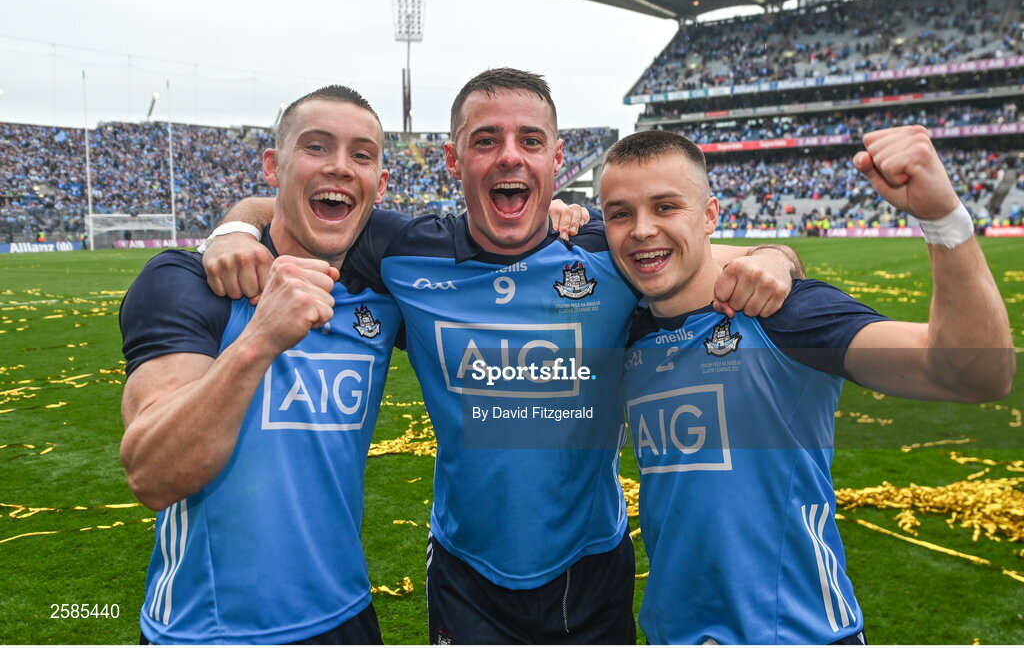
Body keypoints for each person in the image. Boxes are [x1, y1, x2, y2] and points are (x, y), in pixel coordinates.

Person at [200, 68, 803, 644]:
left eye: (530, 140)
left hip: (592, 560)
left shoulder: (610, 249)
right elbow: (296, 203)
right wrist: (232, 229)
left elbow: (735, 259)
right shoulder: (403, 252)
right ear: (454, 160)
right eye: (486, 140)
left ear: (556, 161)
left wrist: (777, 259)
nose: (510, 156)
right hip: (469, 570)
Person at [600, 126, 1015, 644]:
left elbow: (972, 374)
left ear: (710, 215)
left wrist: (943, 220)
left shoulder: (785, 314)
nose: (642, 229)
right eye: (620, 213)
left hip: (800, 633)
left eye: (666, 206)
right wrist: (775, 251)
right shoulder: (625, 327)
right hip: (672, 635)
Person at [118, 86, 404, 644]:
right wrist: (259, 339)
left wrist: (570, 217)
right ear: (274, 166)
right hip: (210, 628)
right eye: (317, 148)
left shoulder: (383, 290)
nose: (341, 167)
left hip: (348, 615)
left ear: (380, 184)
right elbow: (151, 474)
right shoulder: (188, 283)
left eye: (362, 154)